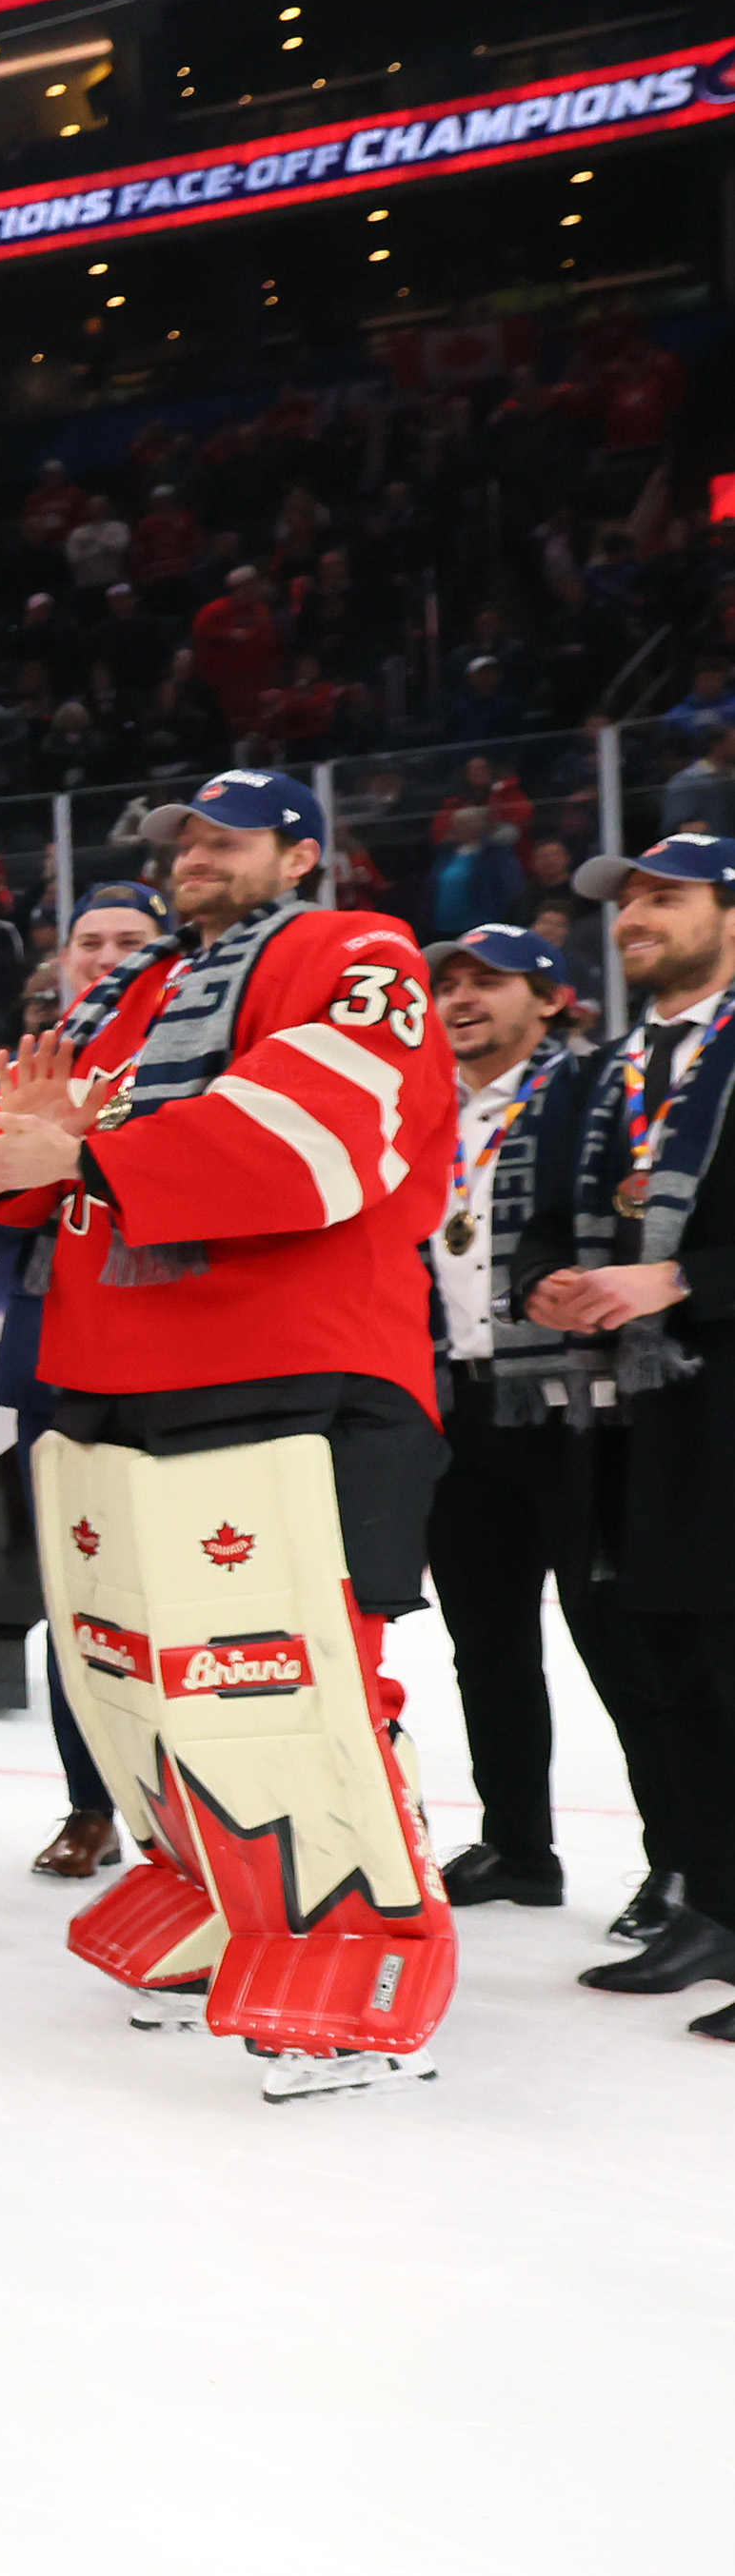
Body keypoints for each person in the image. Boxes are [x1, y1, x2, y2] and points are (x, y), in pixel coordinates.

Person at [0, 771, 457, 2093]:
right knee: (140, 1678)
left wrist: (87, 1152)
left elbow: (316, 1129)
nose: (193, 860)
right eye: (182, 843)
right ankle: (222, 1891)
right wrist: (13, 1151)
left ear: (299, 852)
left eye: (224, 840)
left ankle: (356, 1937)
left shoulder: (356, 951)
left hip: (293, 1374)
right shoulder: (141, 995)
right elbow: (50, 1175)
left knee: (289, 1682)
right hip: (120, 1377)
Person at [499, 832, 735, 2028]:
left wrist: (678, 1279)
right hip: (625, 1416)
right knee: (675, 1671)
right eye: (626, 899)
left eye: (665, 897)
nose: (636, 914)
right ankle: (716, 1905)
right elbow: (540, 1220)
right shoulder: (599, 1073)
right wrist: (544, 1282)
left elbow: (681, 1260)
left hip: (717, 1398)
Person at [412, 925, 597, 1911]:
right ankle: (518, 1845)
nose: (461, 996)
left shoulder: (589, 1091)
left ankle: (685, 1865)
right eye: (448, 983)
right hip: (455, 1400)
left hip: (571, 1401)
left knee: (621, 1639)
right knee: (483, 1641)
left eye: (490, 980)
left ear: (551, 996)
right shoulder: (422, 1112)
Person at [0, 884, 177, 1882]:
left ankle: (190, 1808)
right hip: (56, 1365)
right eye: (89, 942)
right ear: (60, 957)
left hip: (170, 1357)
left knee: (182, 1595)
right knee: (78, 1599)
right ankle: (87, 1804)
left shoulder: (190, 1056)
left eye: (130, 944)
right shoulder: (35, 1059)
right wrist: (27, 1144)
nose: (105, 957)